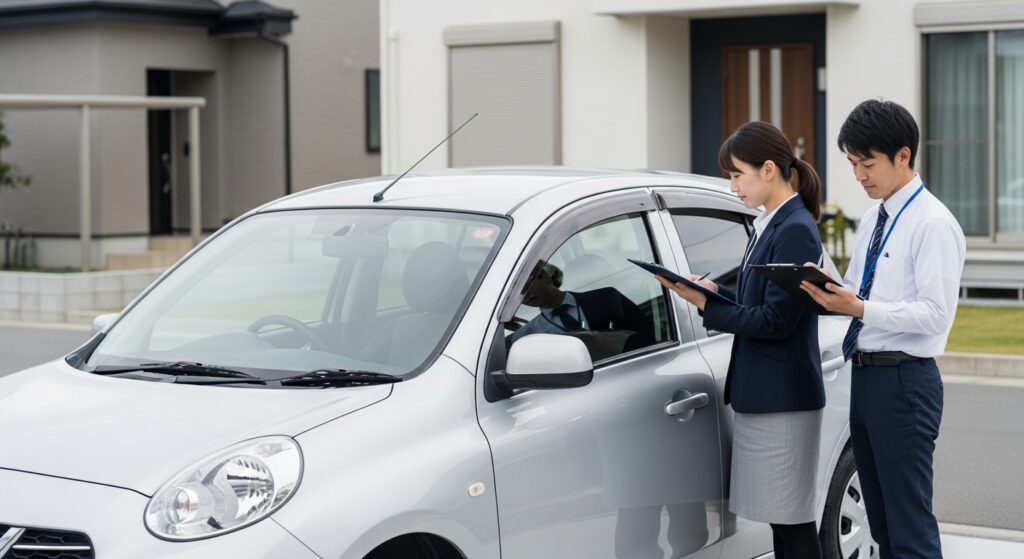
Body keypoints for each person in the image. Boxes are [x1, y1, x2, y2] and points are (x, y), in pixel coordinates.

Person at [801, 99, 965, 559]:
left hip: (906, 381)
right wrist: (824, 289)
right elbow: (856, 289)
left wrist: (861, 308)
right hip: (867, 376)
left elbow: (936, 314)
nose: (859, 175)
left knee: (909, 528)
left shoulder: (932, 224)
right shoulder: (875, 218)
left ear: (904, 156)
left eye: (867, 163)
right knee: (883, 526)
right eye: (853, 163)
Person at [659, 121, 826, 559]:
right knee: (782, 521)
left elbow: (776, 321)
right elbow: (761, 302)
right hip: (768, 396)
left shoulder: (793, 228)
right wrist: (718, 294)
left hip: (783, 399)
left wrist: (705, 304)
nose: (733, 187)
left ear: (768, 169)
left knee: (792, 523)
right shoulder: (773, 222)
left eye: (737, 175)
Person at [507, 261, 654, 359]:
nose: (523, 296)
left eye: (525, 286)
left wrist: (608, 339)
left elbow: (651, 338)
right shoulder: (527, 336)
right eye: (515, 295)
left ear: (544, 277)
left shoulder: (607, 298)